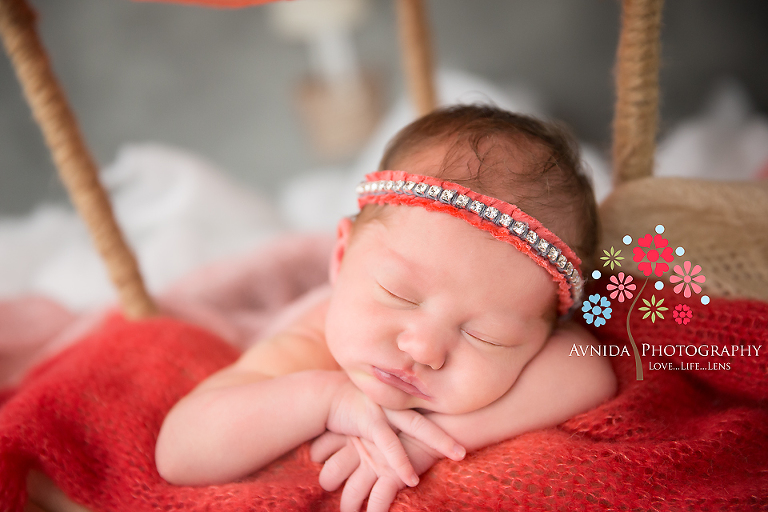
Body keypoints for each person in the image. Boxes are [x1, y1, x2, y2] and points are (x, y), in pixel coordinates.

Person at [155, 105, 617, 512]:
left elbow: (589, 370)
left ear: (540, 338)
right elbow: (180, 451)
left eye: (486, 336)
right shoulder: (308, 341)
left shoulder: (545, 341)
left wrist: (427, 439)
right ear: (340, 258)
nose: (423, 347)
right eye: (399, 294)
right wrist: (325, 399)